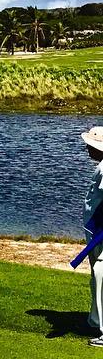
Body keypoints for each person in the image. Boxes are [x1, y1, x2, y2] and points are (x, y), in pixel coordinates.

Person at [81, 126, 103, 347]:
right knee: (96, 274)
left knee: (100, 274)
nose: (86, 148)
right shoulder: (101, 167)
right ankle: (95, 320)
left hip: (100, 232)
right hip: (95, 230)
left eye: (90, 144)